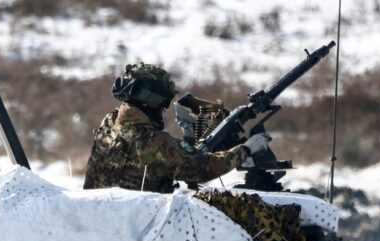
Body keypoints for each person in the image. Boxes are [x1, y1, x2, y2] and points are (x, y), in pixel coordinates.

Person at [83, 63, 271, 193]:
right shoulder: (155, 144)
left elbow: (165, 161)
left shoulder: (111, 122)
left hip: (99, 217)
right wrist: (247, 149)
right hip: (137, 228)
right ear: (150, 100)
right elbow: (205, 168)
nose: (163, 109)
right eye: (163, 102)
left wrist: (188, 143)